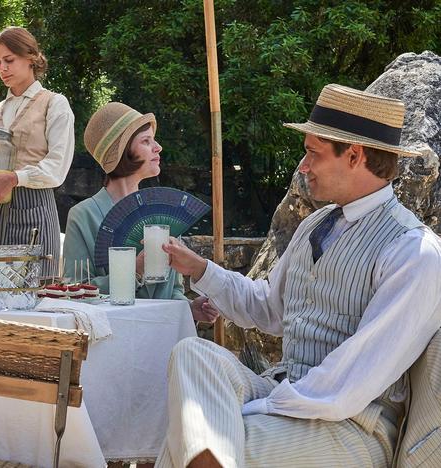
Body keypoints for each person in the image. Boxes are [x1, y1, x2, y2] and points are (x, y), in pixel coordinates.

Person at [155, 84, 441, 468]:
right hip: (285, 392)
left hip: (353, 426)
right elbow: (269, 308)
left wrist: (255, 409)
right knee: (192, 353)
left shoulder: (413, 252)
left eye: (312, 152)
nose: (303, 166)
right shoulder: (317, 224)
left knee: (209, 438)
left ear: (354, 155)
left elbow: (348, 384)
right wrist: (201, 270)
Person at [64, 102, 218, 324]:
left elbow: (172, 291)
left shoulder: (162, 214)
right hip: (116, 339)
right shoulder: (84, 215)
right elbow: (73, 293)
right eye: (146, 141)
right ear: (122, 152)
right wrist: (133, 271)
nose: (158, 147)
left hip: (162, 342)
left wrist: (189, 309)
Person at [0, 26, 74, 277]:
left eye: (9, 60)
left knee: (36, 294)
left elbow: (58, 167)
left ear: (31, 57)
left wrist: (14, 178)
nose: (2, 68)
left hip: (35, 207)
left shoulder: (54, 103)